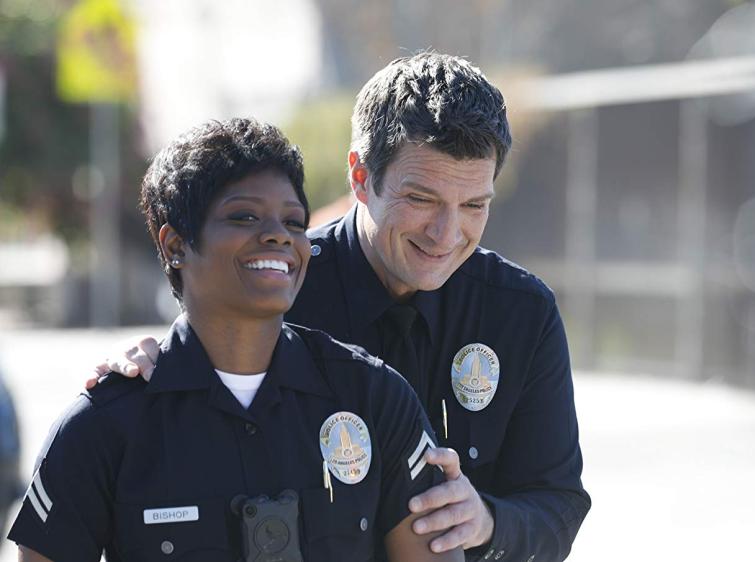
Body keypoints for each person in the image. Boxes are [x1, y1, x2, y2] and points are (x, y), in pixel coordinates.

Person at [92, 52, 591, 561]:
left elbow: (557, 501)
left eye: (473, 206)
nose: (446, 234)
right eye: (421, 199)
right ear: (360, 177)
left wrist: (486, 522)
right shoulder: (275, 286)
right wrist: (164, 363)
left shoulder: (521, 313)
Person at [8, 118, 463, 562]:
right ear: (175, 246)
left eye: (294, 222)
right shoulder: (103, 425)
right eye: (244, 216)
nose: (278, 235)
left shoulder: (375, 397)